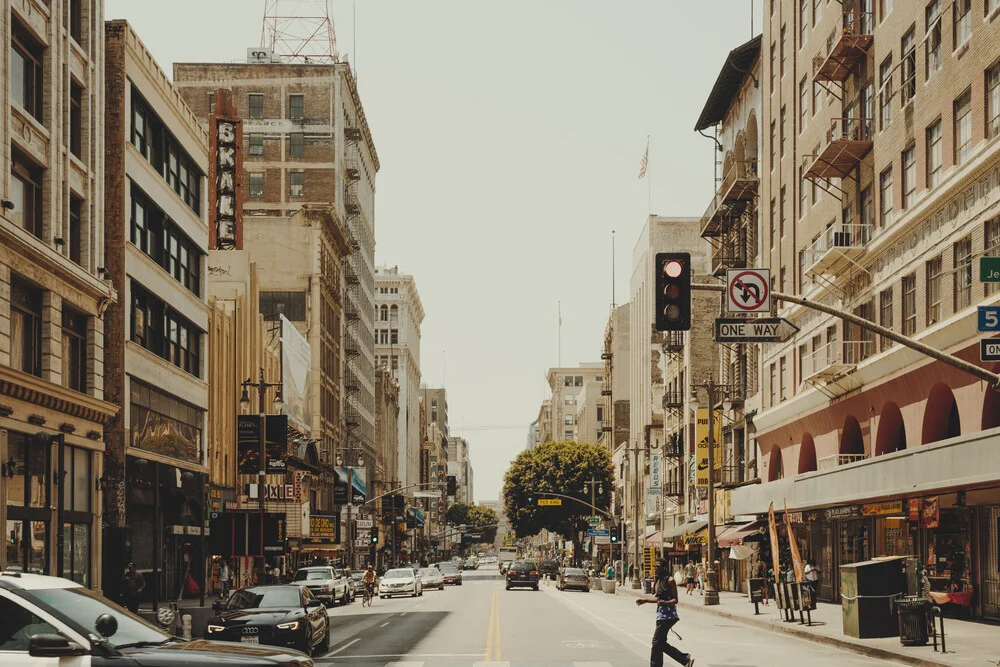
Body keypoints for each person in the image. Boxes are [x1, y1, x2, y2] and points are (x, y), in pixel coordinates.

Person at [636, 558, 694, 667]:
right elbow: (658, 599)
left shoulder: (670, 580)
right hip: (660, 615)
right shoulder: (659, 580)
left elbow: (675, 600)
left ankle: (683, 659)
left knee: (656, 642)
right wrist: (645, 600)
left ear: (664, 567)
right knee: (660, 643)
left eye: (658, 566)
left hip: (668, 616)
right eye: (655, 566)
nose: (656, 568)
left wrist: (666, 602)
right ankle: (685, 660)